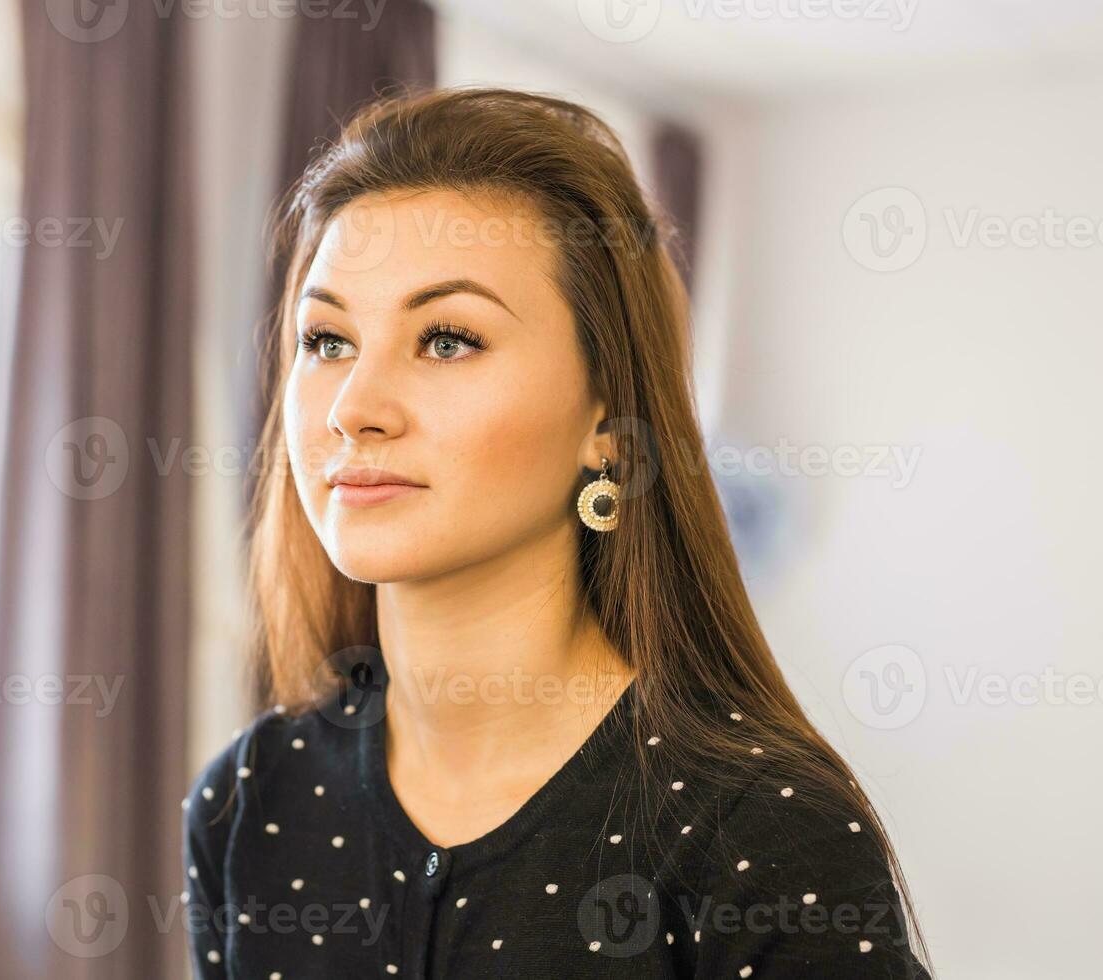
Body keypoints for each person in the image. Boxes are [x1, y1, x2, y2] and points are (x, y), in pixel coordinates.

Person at [182, 86, 933, 979]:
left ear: (607, 421)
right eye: (327, 340)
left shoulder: (759, 833)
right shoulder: (252, 799)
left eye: (448, 339)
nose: (354, 409)